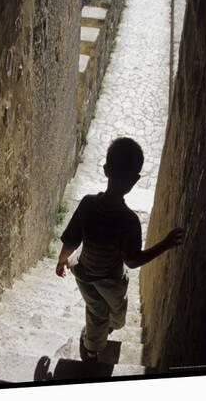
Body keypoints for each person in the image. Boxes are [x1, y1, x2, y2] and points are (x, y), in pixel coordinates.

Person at [56, 137, 184, 362]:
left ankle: (97, 337)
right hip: (107, 280)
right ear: (134, 180)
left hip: (86, 273)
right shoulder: (129, 222)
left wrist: (62, 259)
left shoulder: (88, 204)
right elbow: (132, 261)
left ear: (106, 170)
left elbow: (72, 238)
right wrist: (164, 245)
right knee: (102, 316)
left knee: (110, 316)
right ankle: (91, 347)